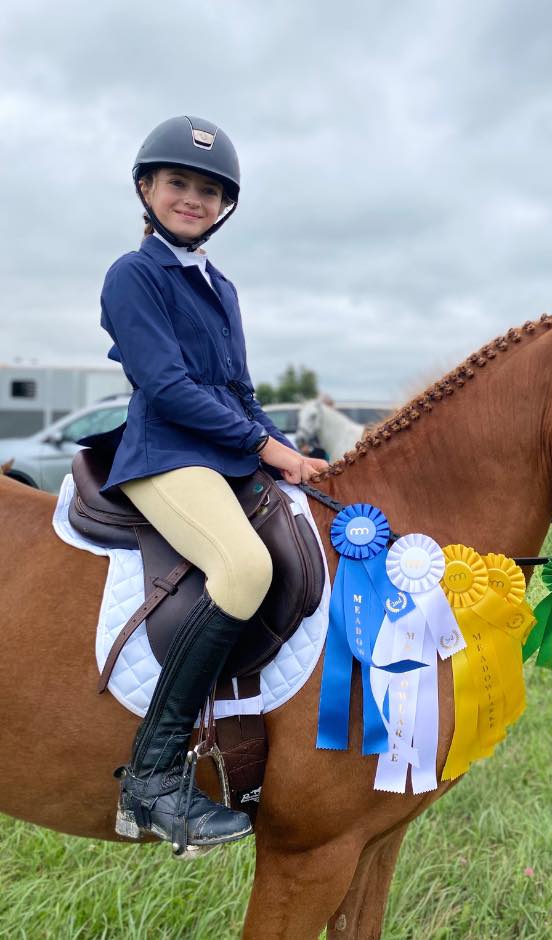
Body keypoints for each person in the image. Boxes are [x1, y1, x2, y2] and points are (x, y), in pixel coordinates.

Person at [87, 115, 328, 854]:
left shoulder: (219, 284)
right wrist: (261, 444)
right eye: (178, 184)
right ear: (146, 189)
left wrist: (293, 454)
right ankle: (154, 778)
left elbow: (241, 390)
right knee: (245, 567)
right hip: (165, 453)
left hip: (228, 454)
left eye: (208, 189)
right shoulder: (134, 275)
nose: (192, 198)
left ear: (224, 206)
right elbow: (166, 385)